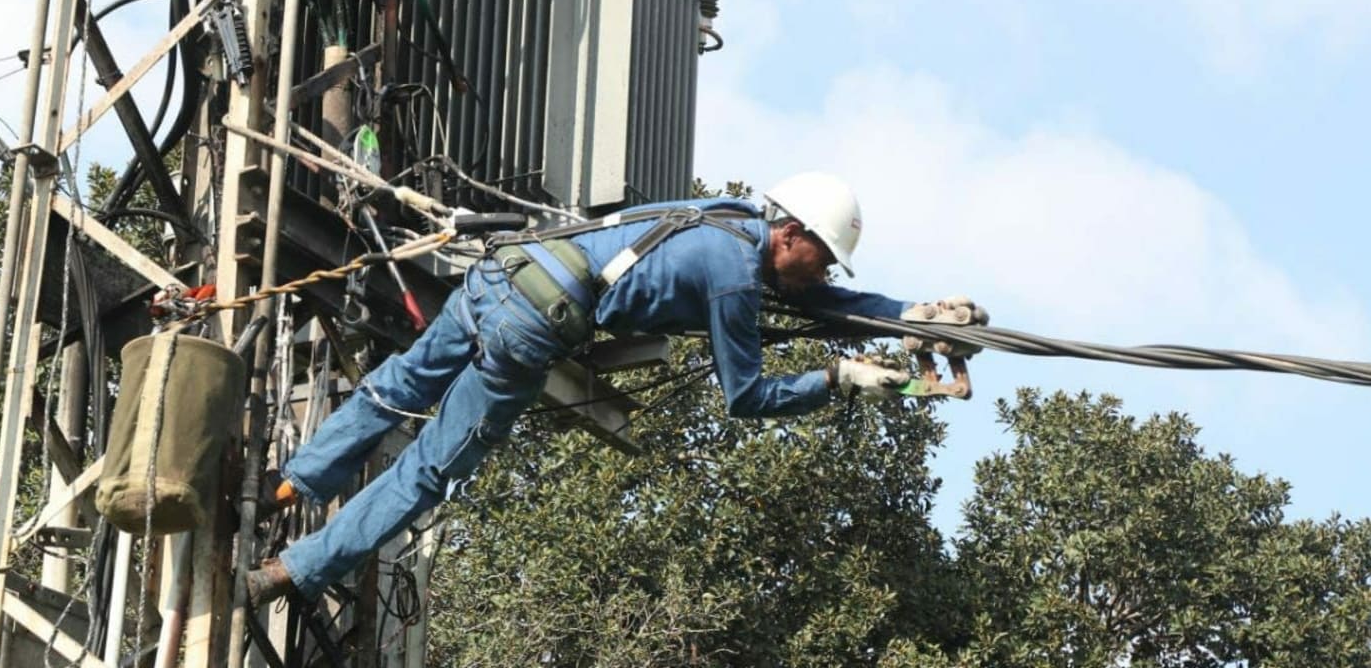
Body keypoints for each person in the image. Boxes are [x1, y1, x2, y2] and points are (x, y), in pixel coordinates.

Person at [245, 172, 988, 603]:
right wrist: (836, 378)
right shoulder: (732, 282)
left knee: (396, 386)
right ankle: (294, 569)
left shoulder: (729, 222)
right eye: (821, 259)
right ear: (790, 233)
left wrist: (906, 315)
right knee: (431, 468)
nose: (821, 275)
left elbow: (813, 303)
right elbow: (746, 396)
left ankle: (291, 482)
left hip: (499, 276)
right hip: (529, 331)